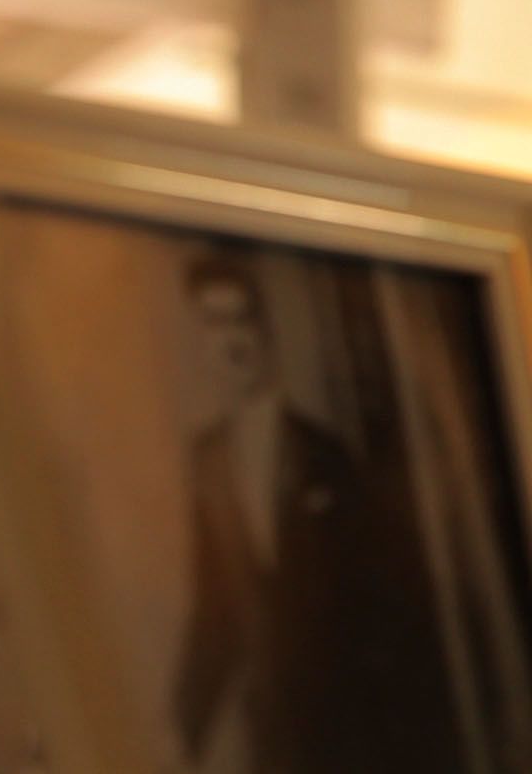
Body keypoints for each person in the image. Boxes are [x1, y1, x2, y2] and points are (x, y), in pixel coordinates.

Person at [172, 252, 461, 773]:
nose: (232, 340)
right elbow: (214, 614)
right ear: (200, 341)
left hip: (351, 730)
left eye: (242, 320)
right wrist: (182, 734)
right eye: (215, 324)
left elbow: (386, 610)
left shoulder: (327, 456)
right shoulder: (207, 463)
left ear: (265, 331)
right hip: (274, 739)